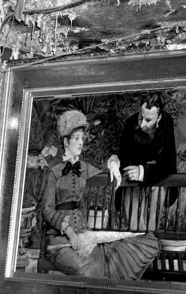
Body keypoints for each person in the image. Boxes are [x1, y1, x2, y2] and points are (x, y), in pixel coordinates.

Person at [41, 109, 160, 279]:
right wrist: (68, 231)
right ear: (66, 142)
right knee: (90, 271)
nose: (81, 143)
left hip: (84, 235)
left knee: (114, 259)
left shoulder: (85, 167)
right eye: (76, 139)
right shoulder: (53, 172)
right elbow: (47, 210)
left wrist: (113, 163)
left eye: (82, 138)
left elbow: (104, 166)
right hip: (60, 241)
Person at [109, 93, 178, 231]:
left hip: (157, 181)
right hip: (131, 183)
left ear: (158, 118)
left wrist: (143, 171)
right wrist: (114, 162)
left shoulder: (166, 122)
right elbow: (123, 158)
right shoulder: (130, 123)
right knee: (135, 228)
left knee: (152, 228)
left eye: (148, 120)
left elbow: (168, 163)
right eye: (141, 117)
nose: (141, 124)